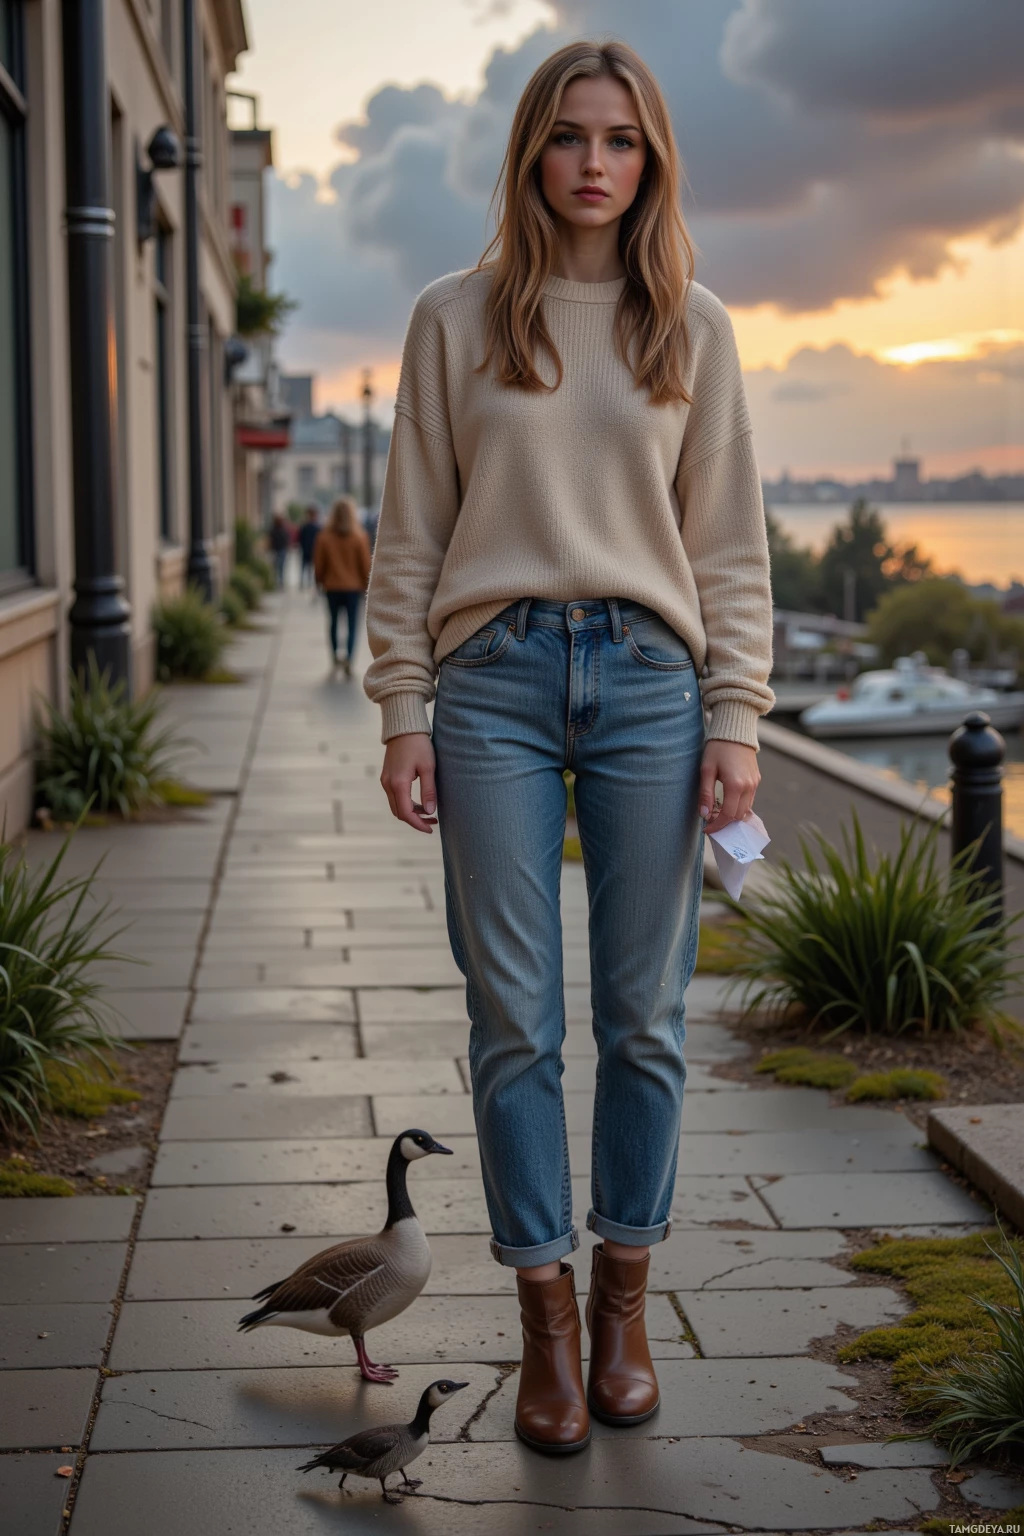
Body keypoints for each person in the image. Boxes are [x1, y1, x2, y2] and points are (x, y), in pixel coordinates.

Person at [363, 41, 774, 1456]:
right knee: (513, 1020)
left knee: (647, 1020)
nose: (595, 163)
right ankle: (541, 1312)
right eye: (569, 137)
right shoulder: (453, 319)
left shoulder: (693, 328)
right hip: (493, 683)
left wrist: (738, 720)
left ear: (652, 162)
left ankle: (624, 1304)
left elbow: (728, 548)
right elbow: (412, 530)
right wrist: (402, 707)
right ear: (532, 153)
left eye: (623, 141)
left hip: (657, 684)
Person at [314, 496, 372, 676]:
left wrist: (320, 581)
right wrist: (366, 586)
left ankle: (334, 657)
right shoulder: (359, 537)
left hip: (332, 587)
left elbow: (319, 564)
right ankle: (348, 657)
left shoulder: (324, 537)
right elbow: (365, 565)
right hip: (353, 589)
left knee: (333, 623)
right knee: (352, 624)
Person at [297, 505, 321, 588]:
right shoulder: (316, 527)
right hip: (310, 550)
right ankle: (307, 583)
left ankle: (306, 583)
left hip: (309, 550)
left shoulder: (306, 526)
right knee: (307, 568)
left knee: (307, 568)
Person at [268, 512, 291, 588]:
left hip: (279, 550)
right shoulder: (277, 530)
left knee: (279, 567)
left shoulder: (277, 529)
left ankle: (279, 582)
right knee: (279, 567)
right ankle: (279, 582)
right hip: (278, 550)